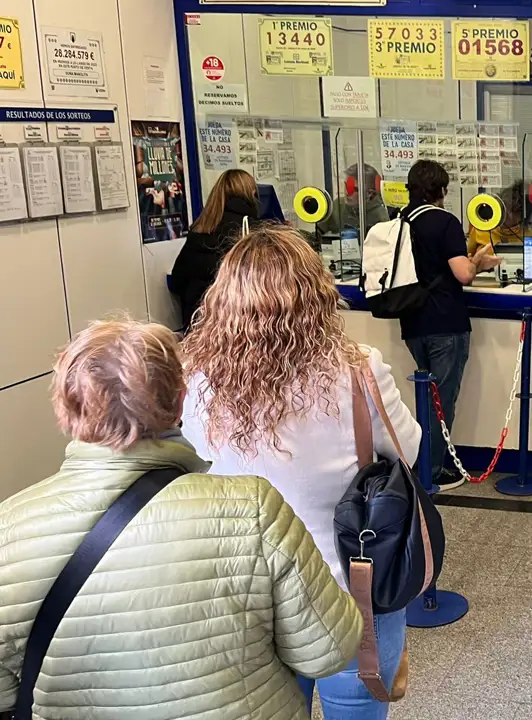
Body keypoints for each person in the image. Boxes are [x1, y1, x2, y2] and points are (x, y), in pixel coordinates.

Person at [0, 319, 361, 719]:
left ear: (63, 407)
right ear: (180, 400)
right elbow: (327, 650)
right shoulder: (251, 508)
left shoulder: (10, 528)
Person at [180, 225, 421, 720]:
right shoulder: (359, 369)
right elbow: (408, 450)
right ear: (316, 293)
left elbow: (197, 454)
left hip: (248, 594)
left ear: (225, 298)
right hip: (352, 591)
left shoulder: (200, 378)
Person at [400, 159, 500, 490]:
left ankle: (423, 461)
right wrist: (479, 263)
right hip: (444, 322)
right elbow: (462, 274)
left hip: (412, 322)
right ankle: (433, 470)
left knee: (427, 399)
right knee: (442, 400)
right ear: (442, 190)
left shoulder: (400, 220)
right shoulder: (444, 222)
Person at [170, 168, 259, 330]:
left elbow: (177, 282)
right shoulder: (252, 231)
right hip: (237, 326)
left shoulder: (200, 228)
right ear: (251, 193)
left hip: (199, 325)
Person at [319, 164, 390, 237]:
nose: (347, 192)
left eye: (353, 189)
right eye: (346, 186)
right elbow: (318, 233)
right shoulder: (338, 205)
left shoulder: (380, 216)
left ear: (369, 194)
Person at [467, 180, 529, 254]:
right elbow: (468, 257)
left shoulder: (528, 234)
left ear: (522, 215)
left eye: (513, 211)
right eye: (505, 209)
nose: (507, 215)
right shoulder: (481, 229)